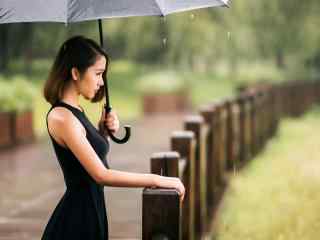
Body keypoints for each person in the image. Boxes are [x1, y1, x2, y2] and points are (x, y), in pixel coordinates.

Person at [41, 35, 185, 240]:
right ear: (75, 72)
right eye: (98, 73)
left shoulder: (75, 111)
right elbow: (101, 174)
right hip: (75, 223)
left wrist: (103, 133)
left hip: (92, 213)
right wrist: (158, 180)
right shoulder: (62, 117)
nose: (101, 82)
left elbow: (91, 162)